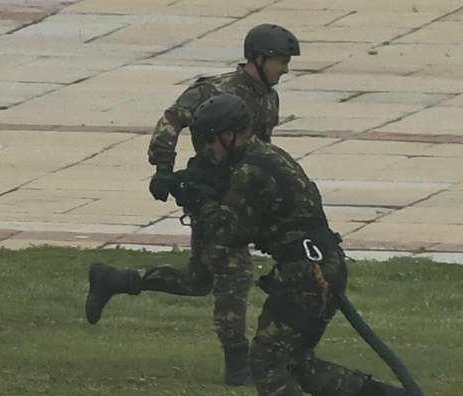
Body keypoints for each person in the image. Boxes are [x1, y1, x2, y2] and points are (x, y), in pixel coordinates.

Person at [177, 87, 405, 396]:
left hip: (307, 274)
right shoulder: (265, 158)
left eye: (210, 141)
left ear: (230, 135)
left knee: (265, 361)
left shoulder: (251, 171)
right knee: (292, 362)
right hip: (317, 267)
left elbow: (229, 231)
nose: (208, 149)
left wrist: (198, 199)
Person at [83, 23, 305, 364]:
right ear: (258, 58)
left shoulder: (270, 98)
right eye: (281, 61)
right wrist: (163, 169)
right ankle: (237, 362)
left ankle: (116, 279)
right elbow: (172, 120)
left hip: (240, 192)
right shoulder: (216, 89)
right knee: (236, 269)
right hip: (208, 191)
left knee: (199, 280)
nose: (285, 69)